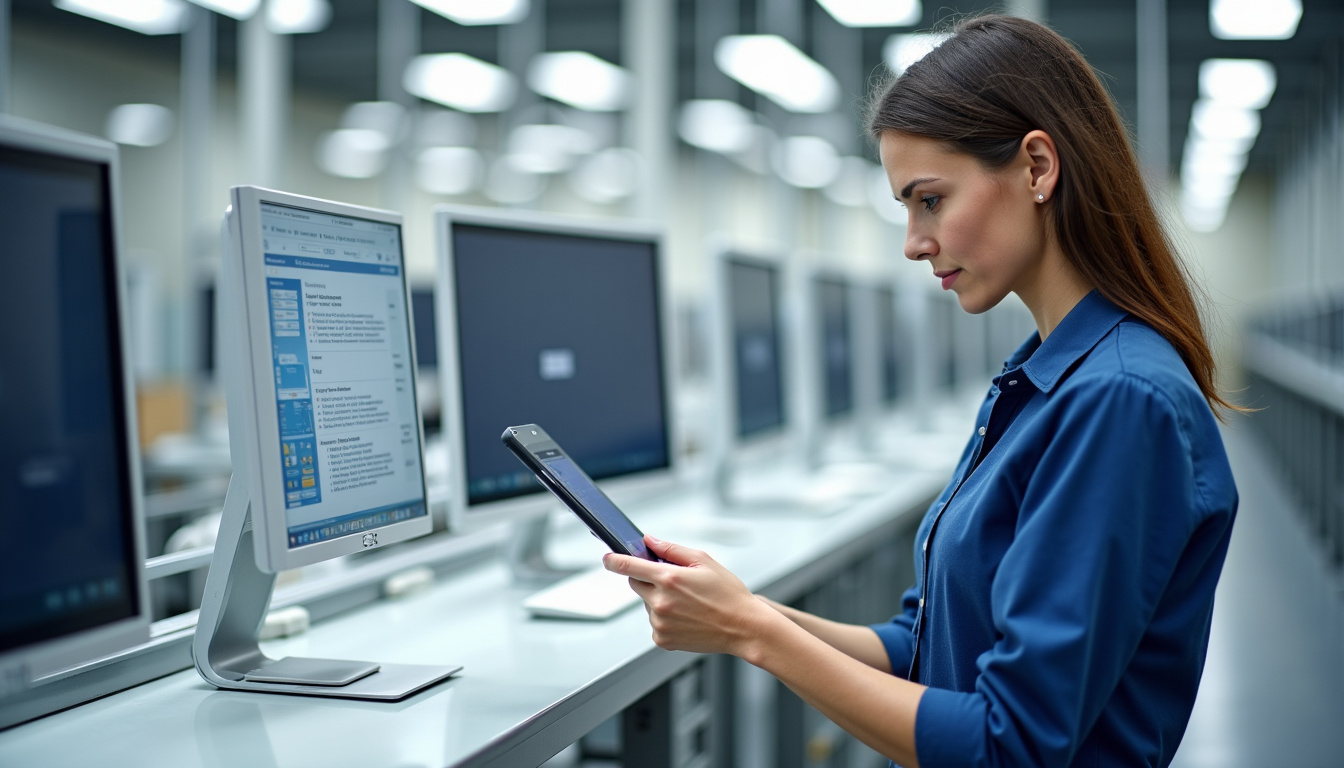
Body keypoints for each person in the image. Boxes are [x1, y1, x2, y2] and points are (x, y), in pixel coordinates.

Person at [603, 14, 1240, 768]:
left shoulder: (1118, 402)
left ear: (1038, 167)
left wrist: (753, 632)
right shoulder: (1039, 378)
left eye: (929, 200)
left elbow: (1009, 745)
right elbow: (924, 643)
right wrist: (741, 609)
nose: (912, 243)